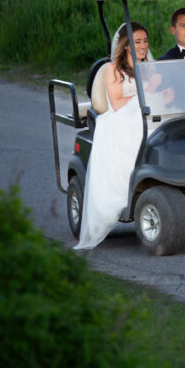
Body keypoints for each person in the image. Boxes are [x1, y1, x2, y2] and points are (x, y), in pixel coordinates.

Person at [73, 22, 149, 251]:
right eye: (137, 42)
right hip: (119, 117)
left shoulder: (150, 67)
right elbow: (115, 103)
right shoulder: (112, 69)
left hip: (142, 113)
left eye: (145, 41)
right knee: (137, 123)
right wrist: (143, 97)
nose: (143, 46)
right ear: (126, 46)